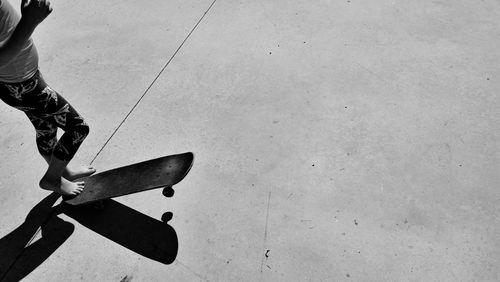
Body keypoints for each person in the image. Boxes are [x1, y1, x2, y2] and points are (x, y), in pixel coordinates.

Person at [0, 0, 95, 196]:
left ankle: (62, 171)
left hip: (21, 80)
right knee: (78, 128)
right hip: (23, 86)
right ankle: (52, 178)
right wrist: (30, 21)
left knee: (46, 129)